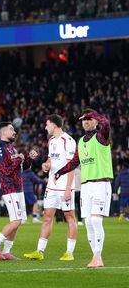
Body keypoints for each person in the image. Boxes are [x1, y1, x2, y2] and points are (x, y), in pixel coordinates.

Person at [55, 108, 113, 268]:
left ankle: (98, 257)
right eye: (84, 120)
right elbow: (74, 162)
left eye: (89, 119)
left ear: (95, 121)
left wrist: (91, 113)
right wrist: (60, 172)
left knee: (95, 219)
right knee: (87, 222)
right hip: (86, 187)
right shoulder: (80, 141)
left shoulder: (102, 137)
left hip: (101, 183)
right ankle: (95, 257)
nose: (86, 122)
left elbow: (106, 122)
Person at [24, 114, 78, 261]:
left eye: (47, 124)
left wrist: (68, 189)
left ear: (55, 125)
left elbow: (72, 167)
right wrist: (46, 165)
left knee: (69, 217)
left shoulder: (69, 141)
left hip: (64, 186)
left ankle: (69, 253)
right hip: (52, 186)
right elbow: (51, 159)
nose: (45, 127)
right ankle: (39, 251)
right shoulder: (51, 141)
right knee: (47, 217)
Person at [0, 121, 38, 261]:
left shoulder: (12, 148)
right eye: (11, 129)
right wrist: (18, 160)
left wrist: (28, 158)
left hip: (18, 188)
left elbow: (23, 167)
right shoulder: (0, 149)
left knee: (18, 221)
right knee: (15, 221)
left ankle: (6, 251)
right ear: (3, 132)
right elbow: (5, 171)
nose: (14, 131)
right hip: (9, 188)